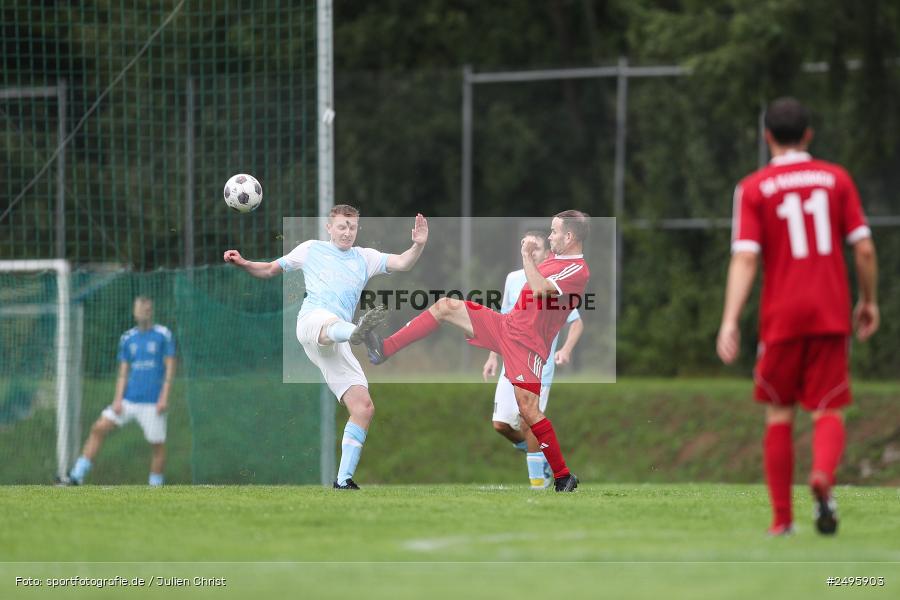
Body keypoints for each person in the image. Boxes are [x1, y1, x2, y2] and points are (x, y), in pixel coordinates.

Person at [717, 97, 879, 536]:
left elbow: (746, 259)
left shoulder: (752, 188)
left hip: (781, 316)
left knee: (778, 412)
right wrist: (868, 301)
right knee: (828, 407)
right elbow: (863, 248)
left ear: (767, 136)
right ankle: (822, 474)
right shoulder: (836, 179)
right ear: (809, 135)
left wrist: (730, 319)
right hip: (830, 312)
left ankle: (782, 521)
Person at [366, 210, 590, 492]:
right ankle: (384, 349)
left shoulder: (577, 269)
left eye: (554, 232)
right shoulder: (556, 259)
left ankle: (562, 476)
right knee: (446, 306)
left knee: (529, 411)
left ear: (569, 236)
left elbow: (540, 288)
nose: (550, 236)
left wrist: (526, 257)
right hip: (506, 327)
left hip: (527, 345)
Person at [224, 205, 428, 490]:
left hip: (338, 340)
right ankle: (357, 332)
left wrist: (418, 245)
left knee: (363, 407)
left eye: (352, 227)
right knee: (330, 323)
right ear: (329, 228)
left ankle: (343, 480)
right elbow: (271, 269)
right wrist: (245, 263)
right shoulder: (311, 249)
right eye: (342, 226)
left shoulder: (365, 257)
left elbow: (404, 262)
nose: (347, 232)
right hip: (312, 323)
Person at [482, 231, 583, 489]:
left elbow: (576, 322)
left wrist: (567, 349)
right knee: (501, 424)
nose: (531, 250)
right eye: (526, 246)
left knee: (530, 421)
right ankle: (541, 455)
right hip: (510, 363)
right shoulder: (513, 279)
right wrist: (493, 357)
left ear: (546, 252)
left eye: (535, 246)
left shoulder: (555, 279)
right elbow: (503, 319)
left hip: (540, 364)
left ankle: (538, 485)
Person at [62, 296, 176, 486]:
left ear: (152, 311)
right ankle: (76, 476)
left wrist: (164, 398)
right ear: (134, 312)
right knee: (99, 428)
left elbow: (170, 367)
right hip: (128, 401)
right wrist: (117, 400)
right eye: (140, 308)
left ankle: (156, 486)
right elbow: (123, 373)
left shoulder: (162, 334)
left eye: (147, 308)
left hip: (152, 403)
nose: (144, 311)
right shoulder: (128, 338)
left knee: (157, 446)